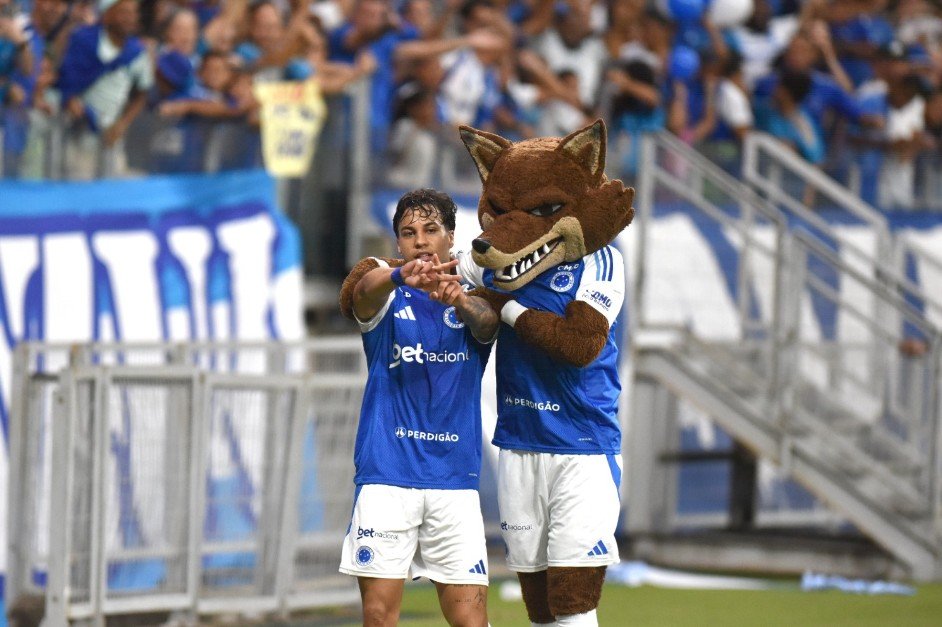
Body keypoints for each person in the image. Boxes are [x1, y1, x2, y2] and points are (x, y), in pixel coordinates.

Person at [338, 188, 498, 627]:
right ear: (398, 243)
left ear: (451, 237)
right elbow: (360, 294)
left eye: (431, 230)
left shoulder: (474, 295)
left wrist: (459, 300)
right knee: (378, 616)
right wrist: (397, 276)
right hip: (387, 476)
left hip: (454, 481)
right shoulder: (386, 288)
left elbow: (489, 325)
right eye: (409, 233)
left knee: (470, 621)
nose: (421, 241)